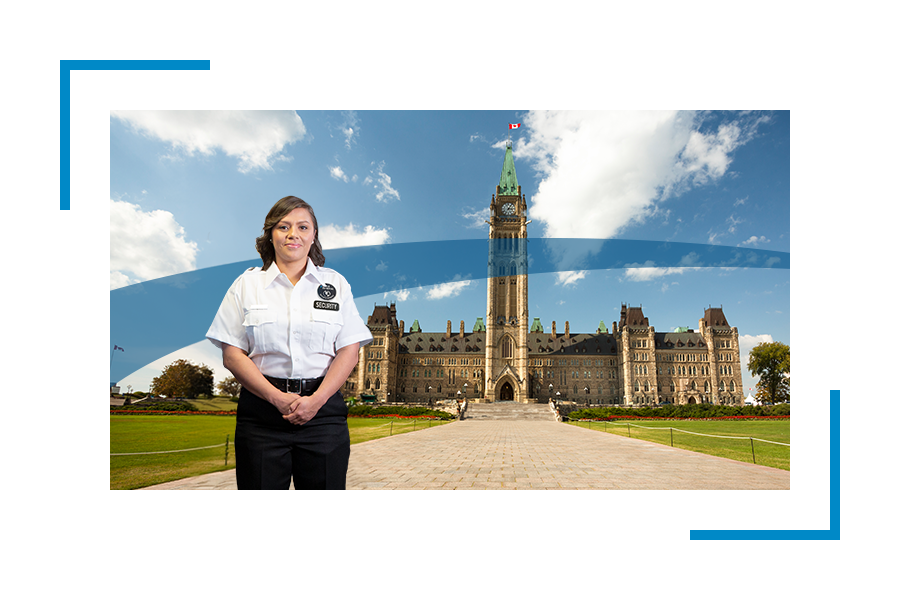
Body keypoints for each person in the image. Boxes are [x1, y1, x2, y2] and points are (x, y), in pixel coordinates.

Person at [206, 196, 373, 489]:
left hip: (323, 415)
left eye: (302, 227)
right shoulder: (246, 285)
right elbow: (232, 354)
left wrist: (316, 401)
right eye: (283, 227)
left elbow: (349, 350)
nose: (293, 234)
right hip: (262, 415)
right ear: (270, 234)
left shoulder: (335, 284)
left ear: (313, 235)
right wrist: (276, 398)